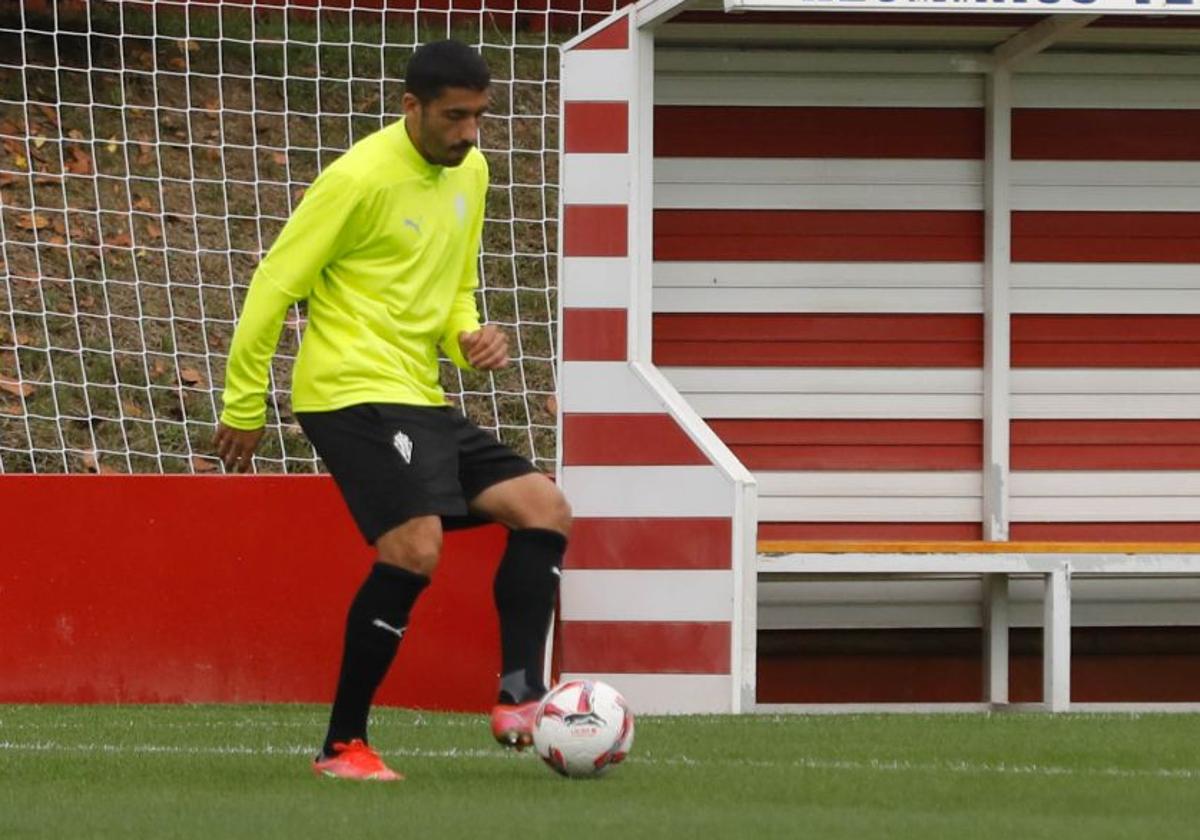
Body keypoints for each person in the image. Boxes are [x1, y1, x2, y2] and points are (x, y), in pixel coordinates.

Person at [213, 39, 571, 782]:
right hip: (348, 392)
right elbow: (273, 285)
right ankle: (342, 745)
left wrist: (467, 335)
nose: (469, 132)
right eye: (454, 116)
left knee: (543, 507)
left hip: (418, 394)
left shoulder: (470, 169)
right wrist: (245, 403)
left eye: (478, 116)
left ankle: (519, 696)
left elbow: (452, 281)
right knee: (414, 545)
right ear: (412, 107)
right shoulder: (357, 180)